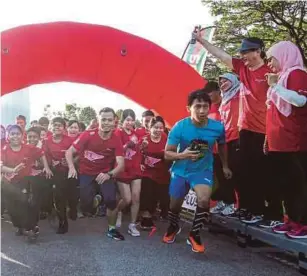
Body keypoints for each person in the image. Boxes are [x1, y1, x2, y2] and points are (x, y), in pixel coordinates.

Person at [193, 31, 276, 224]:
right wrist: (201, 40)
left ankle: (261, 212)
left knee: (259, 172)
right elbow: (220, 54)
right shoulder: (242, 68)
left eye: (247, 52)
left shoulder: (270, 73)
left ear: (258, 51)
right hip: (244, 130)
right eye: (242, 52)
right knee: (242, 171)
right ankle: (246, 208)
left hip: (263, 131)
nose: (243, 56)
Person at [162, 89, 232, 253]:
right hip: (180, 170)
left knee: (204, 199)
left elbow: (222, 144)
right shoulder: (180, 126)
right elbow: (167, 153)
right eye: (197, 106)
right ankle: (173, 226)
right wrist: (182, 155)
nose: (202, 111)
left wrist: (225, 165)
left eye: (205, 107)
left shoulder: (217, 127)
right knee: (174, 205)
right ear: (188, 108)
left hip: (202, 170)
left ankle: (194, 234)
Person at [265, 41, 307, 237]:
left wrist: (275, 86)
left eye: (272, 58)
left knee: (298, 184)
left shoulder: (297, 74)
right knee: (286, 184)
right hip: (278, 142)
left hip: (294, 141)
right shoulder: (281, 78)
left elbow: (300, 100)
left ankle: (303, 224)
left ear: (284, 55)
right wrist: (267, 138)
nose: (269, 63)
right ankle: (291, 220)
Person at [66, 107, 125, 240]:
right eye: (103, 119)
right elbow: (69, 152)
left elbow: (121, 164)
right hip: (86, 173)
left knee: (112, 201)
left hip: (104, 174)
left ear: (114, 122)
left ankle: (112, 229)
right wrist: (71, 167)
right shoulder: (87, 134)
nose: (106, 123)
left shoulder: (116, 139)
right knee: (86, 205)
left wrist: (109, 174)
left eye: (109, 120)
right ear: (98, 120)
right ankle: (95, 201)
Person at [1, 125, 52, 241]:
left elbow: (41, 153)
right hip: (8, 183)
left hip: (25, 181)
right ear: (9, 136)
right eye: (12, 133)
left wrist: (47, 167)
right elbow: (1, 167)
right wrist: (13, 170)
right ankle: (18, 226)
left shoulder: (28, 148)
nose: (15, 136)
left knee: (25, 203)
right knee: (12, 208)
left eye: (17, 133)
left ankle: (31, 229)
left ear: (22, 135)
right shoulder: (4, 149)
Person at [210, 74, 240, 217]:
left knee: (230, 173)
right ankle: (225, 201)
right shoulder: (224, 102)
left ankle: (234, 203)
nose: (222, 83)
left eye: (225, 80)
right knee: (221, 175)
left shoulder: (239, 95)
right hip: (219, 145)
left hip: (234, 140)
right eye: (220, 81)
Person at [44, 117, 78, 234]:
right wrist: (50, 163)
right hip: (56, 173)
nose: (57, 127)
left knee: (72, 195)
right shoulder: (47, 141)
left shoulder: (69, 140)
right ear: (51, 127)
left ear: (64, 128)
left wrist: (71, 162)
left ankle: (73, 208)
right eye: (54, 124)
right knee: (59, 197)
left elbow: (79, 154)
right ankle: (63, 221)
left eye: (60, 125)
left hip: (70, 172)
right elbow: (45, 156)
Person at [140, 116, 170, 229]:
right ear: (149, 127)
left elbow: (170, 153)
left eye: (161, 128)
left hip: (163, 173)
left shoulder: (166, 139)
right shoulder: (144, 140)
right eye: (156, 127)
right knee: (148, 193)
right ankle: (145, 218)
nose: (158, 130)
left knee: (162, 196)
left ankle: (154, 213)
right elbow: (138, 154)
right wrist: (141, 163)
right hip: (148, 173)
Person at [115, 109, 142, 236]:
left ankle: (132, 225)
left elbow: (138, 149)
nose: (130, 122)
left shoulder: (136, 133)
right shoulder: (118, 133)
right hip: (122, 169)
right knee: (127, 199)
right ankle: (118, 211)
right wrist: (127, 145)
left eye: (132, 120)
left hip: (135, 169)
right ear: (123, 121)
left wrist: (143, 146)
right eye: (127, 120)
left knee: (136, 197)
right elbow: (118, 150)